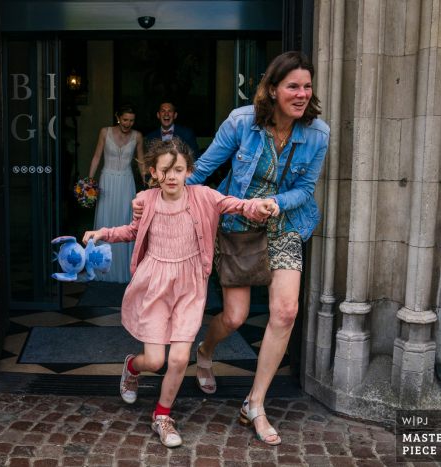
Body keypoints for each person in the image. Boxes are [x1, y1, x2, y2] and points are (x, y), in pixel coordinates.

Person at [133, 51, 329, 447]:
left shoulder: (318, 133)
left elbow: (305, 190)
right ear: (273, 90)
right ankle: (205, 351)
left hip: (285, 224)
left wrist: (277, 203)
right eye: (293, 86)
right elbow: (201, 171)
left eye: (307, 86)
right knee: (236, 317)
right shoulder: (241, 122)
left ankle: (254, 404)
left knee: (285, 311)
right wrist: (154, 196)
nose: (302, 93)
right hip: (237, 227)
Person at [83, 138, 276, 447]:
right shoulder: (146, 200)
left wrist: (258, 206)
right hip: (155, 285)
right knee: (156, 361)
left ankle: (162, 417)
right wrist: (102, 233)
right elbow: (132, 232)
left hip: (189, 288)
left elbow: (236, 204)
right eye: (165, 170)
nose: (172, 176)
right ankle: (133, 367)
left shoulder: (203, 196)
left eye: (179, 169)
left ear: (189, 171)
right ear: (153, 172)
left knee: (178, 360)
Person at [88, 104, 144, 283]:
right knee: (107, 219)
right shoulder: (105, 132)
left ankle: (124, 269)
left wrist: (148, 184)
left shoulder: (138, 136)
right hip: (107, 181)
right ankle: (102, 268)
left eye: (132, 121)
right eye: (125, 120)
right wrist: (89, 181)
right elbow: (97, 156)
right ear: (118, 117)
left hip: (126, 182)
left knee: (125, 222)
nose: (128, 124)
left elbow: (141, 161)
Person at [145, 102, 199, 187]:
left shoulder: (187, 133)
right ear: (158, 115)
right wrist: (148, 187)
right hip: (159, 185)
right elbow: (149, 164)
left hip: (182, 184)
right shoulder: (151, 136)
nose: (166, 114)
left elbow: (194, 160)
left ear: (175, 115)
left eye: (170, 111)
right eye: (163, 111)